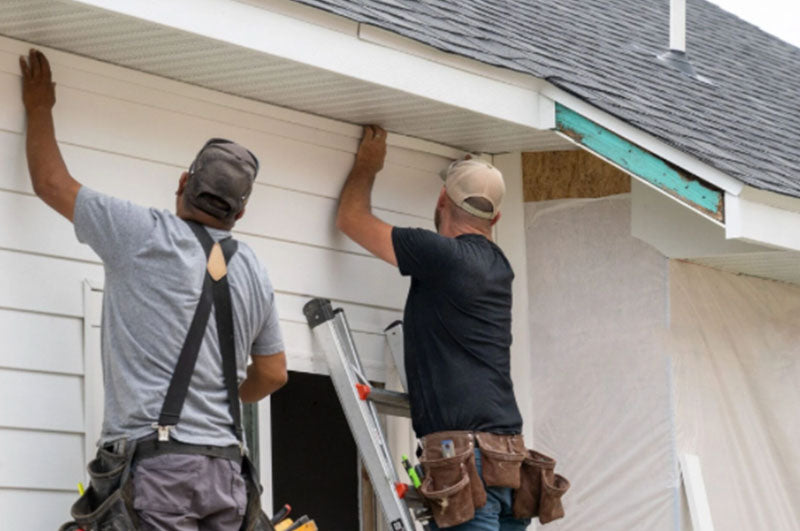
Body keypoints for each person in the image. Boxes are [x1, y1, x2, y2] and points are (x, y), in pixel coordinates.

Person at [20, 49, 287, 530]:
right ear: (239, 214)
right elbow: (273, 374)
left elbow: (50, 182)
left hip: (160, 471)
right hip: (227, 471)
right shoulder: (254, 271)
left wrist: (39, 107)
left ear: (183, 182)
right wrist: (226, 396)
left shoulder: (142, 235)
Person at [336, 125, 529, 530]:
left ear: (442, 199)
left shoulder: (439, 255)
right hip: (508, 457)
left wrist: (368, 166)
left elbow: (351, 219)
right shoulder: (500, 268)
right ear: (496, 216)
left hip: (464, 458)